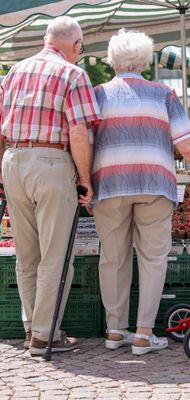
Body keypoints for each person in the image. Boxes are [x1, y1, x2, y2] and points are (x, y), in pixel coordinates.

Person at [91, 30, 190, 355]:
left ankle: (115, 331)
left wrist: (85, 183)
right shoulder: (164, 94)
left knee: (112, 258)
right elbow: (186, 145)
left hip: (110, 184)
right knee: (153, 259)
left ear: (112, 60)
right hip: (155, 184)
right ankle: (142, 335)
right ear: (145, 61)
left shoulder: (98, 95)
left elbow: (84, 140)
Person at [0, 16, 100, 356]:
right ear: (74, 46)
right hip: (52, 162)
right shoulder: (73, 74)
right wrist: (85, 178)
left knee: (26, 256)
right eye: (81, 47)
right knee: (55, 256)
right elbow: (78, 131)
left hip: (14, 160)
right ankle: (44, 335)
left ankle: (34, 329)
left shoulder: (14, 71)